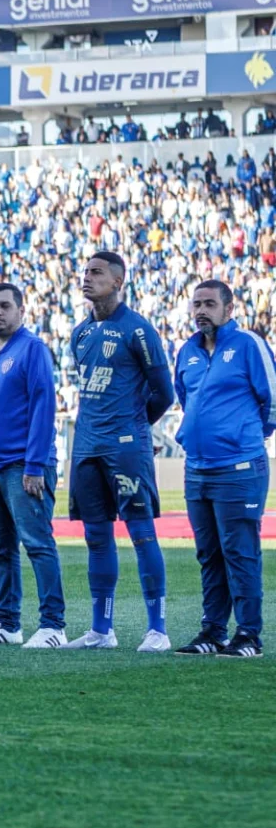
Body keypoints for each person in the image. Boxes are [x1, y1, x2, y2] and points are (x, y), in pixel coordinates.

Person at [64, 251, 174, 651]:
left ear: (118, 282)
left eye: (96, 273)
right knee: (96, 537)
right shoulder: (79, 333)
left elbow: (164, 393)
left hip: (126, 447)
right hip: (87, 445)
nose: (87, 278)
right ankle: (101, 630)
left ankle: (157, 630)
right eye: (85, 271)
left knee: (142, 534)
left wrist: (133, 425)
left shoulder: (139, 331)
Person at [0, 285, 66, 647]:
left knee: (37, 543)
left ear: (21, 309)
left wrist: (35, 464)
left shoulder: (32, 349)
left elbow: (43, 406)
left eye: (4, 306)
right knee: (0, 549)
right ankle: (7, 624)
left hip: (23, 466)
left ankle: (53, 625)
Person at [172, 281, 273, 658]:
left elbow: (271, 400)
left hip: (239, 467)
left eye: (210, 303)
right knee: (209, 554)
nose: (201, 310)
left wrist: (245, 438)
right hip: (197, 469)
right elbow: (186, 399)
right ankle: (213, 632)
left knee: (240, 552)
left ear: (229, 309)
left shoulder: (248, 345)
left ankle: (248, 635)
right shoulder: (187, 351)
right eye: (196, 304)